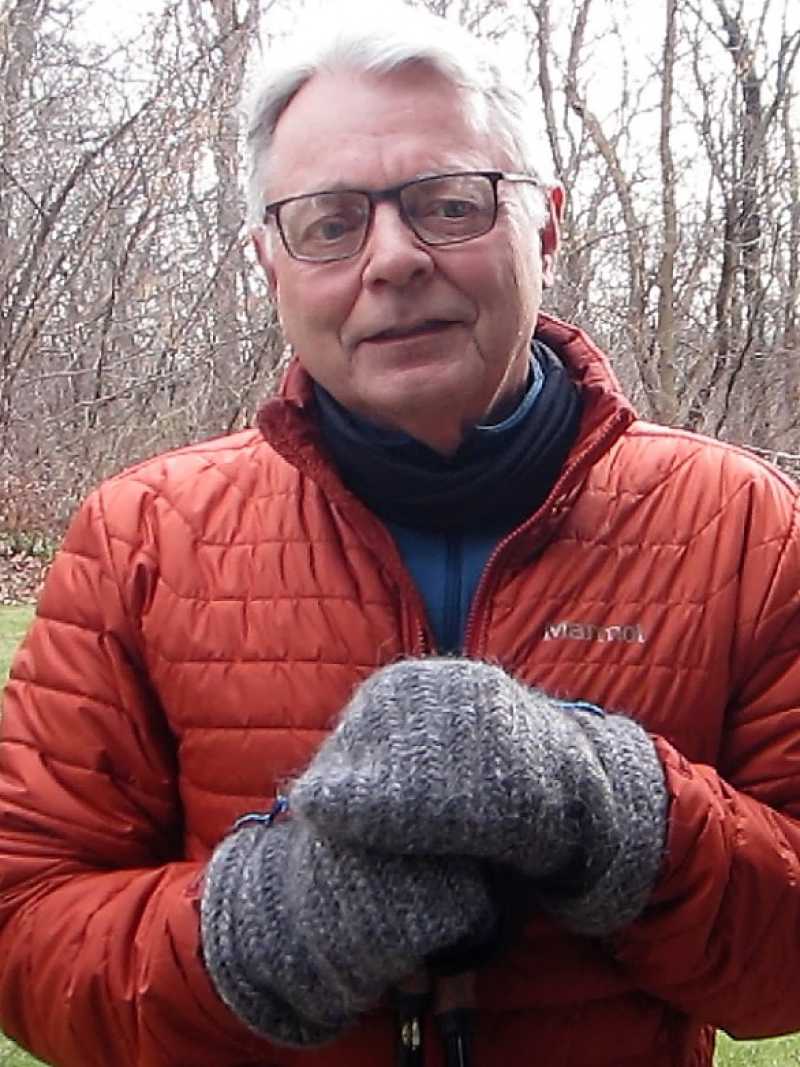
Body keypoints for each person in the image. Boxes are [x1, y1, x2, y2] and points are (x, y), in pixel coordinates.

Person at [2, 4, 800, 1066]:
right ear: (267, 263)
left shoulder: (740, 524)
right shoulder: (140, 534)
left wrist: (616, 813)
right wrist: (256, 928)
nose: (391, 259)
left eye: (446, 203)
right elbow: (23, 927)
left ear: (545, 224)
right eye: (329, 221)